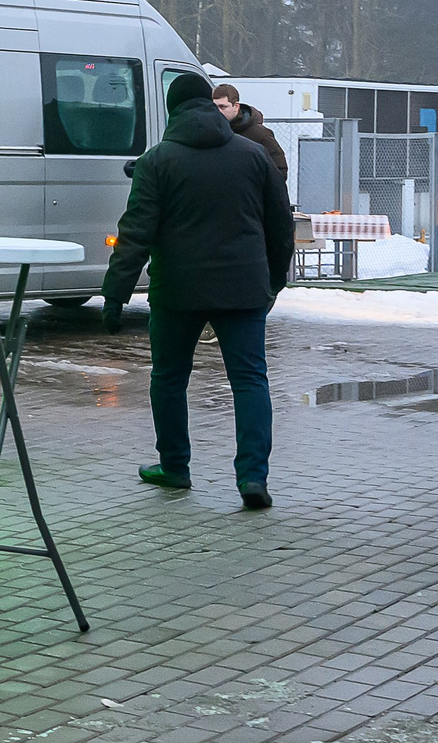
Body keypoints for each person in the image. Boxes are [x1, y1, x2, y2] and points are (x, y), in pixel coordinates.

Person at [103, 72, 294, 508]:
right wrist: (274, 281)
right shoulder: (253, 155)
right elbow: (280, 225)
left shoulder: (157, 161)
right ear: (210, 105)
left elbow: (135, 233)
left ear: (173, 110)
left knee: (169, 379)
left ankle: (174, 467)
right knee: (249, 381)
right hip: (243, 288)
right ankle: (252, 478)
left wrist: (116, 294)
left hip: (177, 291)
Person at [213, 83, 289, 183]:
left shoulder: (259, 134)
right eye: (214, 107)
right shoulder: (210, 133)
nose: (218, 112)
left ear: (236, 106)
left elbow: (279, 170)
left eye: (222, 107)